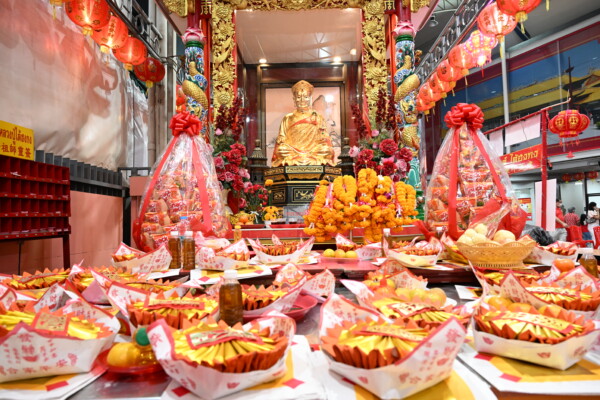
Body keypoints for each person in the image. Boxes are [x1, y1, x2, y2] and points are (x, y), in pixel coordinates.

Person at [271, 80, 335, 167]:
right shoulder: (288, 118)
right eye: (298, 97)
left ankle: (306, 160)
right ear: (294, 99)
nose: (302, 100)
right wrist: (281, 139)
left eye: (305, 97)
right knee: (281, 150)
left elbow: (324, 135)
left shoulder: (317, 117)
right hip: (292, 151)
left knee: (326, 150)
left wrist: (323, 137)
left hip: (313, 151)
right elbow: (282, 137)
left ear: (311, 99)